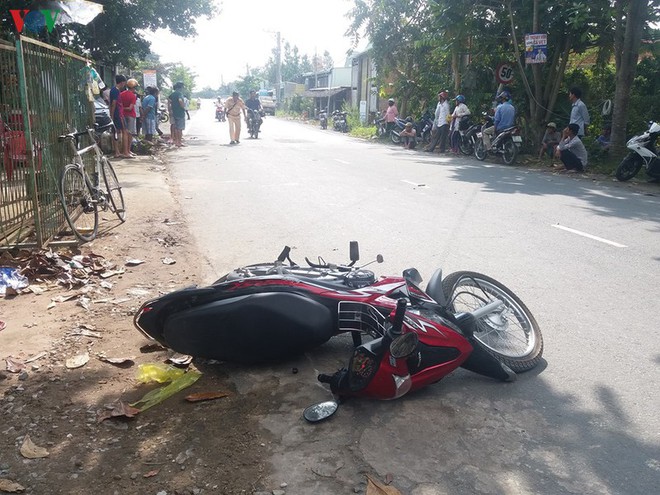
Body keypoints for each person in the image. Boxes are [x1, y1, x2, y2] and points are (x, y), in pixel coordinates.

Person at [119, 78, 139, 157]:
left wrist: (122, 108)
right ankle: (127, 151)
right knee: (129, 133)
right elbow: (130, 108)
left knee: (125, 133)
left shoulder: (121, 94)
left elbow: (119, 105)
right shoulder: (133, 96)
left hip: (123, 115)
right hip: (131, 116)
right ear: (134, 87)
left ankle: (126, 151)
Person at [109, 74, 127, 158]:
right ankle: (121, 151)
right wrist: (112, 115)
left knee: (116, 132)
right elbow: (113, 103)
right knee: (122, 131)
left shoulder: (114, 90)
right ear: (122, 82)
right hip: (117, 114)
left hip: (117, 113)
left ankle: (117, 151)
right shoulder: (115, 90)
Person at [168, 81, 186, 147]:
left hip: (173, 113)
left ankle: (176, 141)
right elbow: (180, 101)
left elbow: (169, 102)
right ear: (181, 87)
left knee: (175, 127)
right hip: (180, 113)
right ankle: (179, 142)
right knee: (180, 128)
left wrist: (170, 110)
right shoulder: (180, 94)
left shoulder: (172, 94)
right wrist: (183, 107)